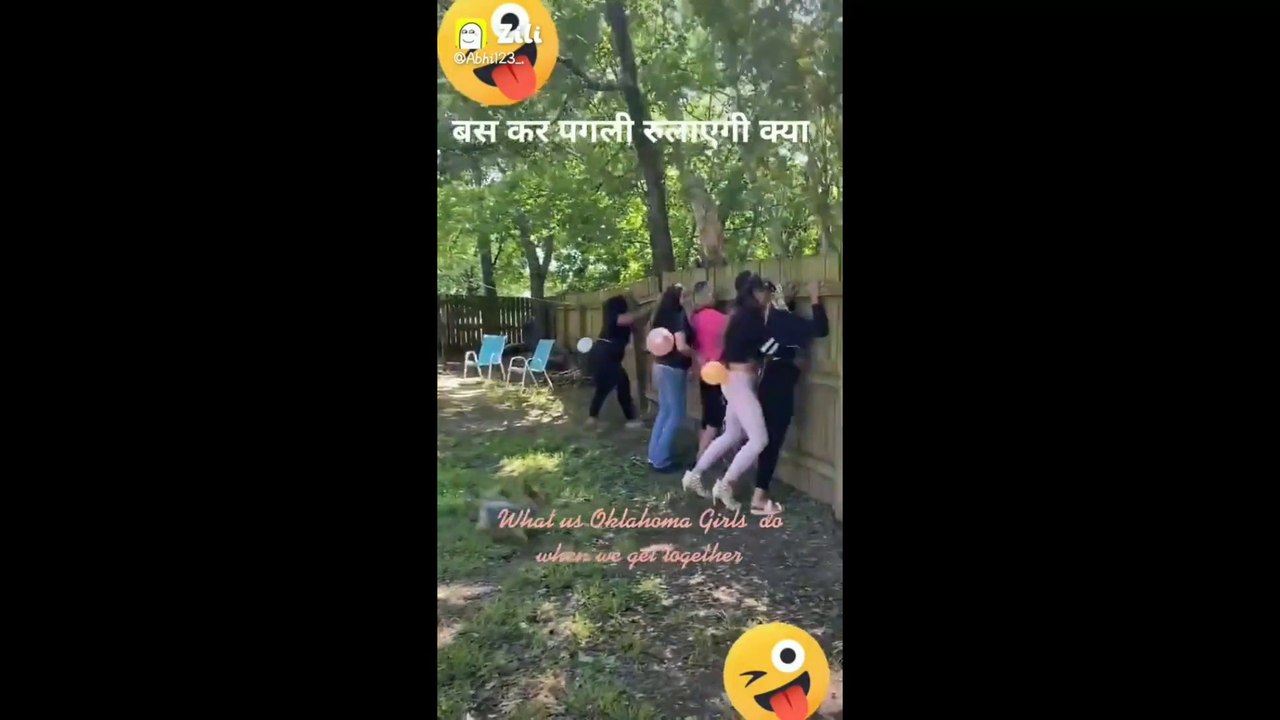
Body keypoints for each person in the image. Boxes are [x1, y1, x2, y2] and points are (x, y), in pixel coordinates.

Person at [681, 274, 771, 511]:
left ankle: (694, 474)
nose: (768, 297)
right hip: (740, 381)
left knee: (732, 433)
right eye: (766, 292)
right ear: (756, 293)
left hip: (731, 378)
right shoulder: (751, 316)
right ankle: (725, 484)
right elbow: (767, 345)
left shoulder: (737, 313)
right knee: (759, 439)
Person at [750, 279, 830, 515]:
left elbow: (784, 332)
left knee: (766, 438)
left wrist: (788, 302)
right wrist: (814, 298)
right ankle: (758, 497)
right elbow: (820, 329)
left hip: (768, 382)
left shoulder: (768, 319)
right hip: (780, 386)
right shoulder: (784, 320)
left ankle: (750, 487)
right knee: (772, 439)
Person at [647, 284, 695, 473]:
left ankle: (654, 455)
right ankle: (661, 460)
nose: (687, 299)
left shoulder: (660, 316)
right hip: (674, 369)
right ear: (677, 298)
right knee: (676, 414)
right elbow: (681, 346)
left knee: (665, 412)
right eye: (684, 296)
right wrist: (696, 355)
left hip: (659, 366)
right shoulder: (677, 316)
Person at [587, 295, 645, 429]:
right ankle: (631, 419)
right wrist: (650, 308)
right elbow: (630, 318)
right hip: (606, 356)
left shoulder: (617, 319)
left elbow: (635, 324)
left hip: (603, 356)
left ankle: (592, 418)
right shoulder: (614, 317)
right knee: (622, 384)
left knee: (603, 388)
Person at [688, 281, 728, 460]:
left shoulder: (693, 319)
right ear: (709, 296)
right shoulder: (721, 319)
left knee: (707, 415)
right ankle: (700, 459)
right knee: (715, 419)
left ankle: (703, 451)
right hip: (719, 372)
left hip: (702, 372)